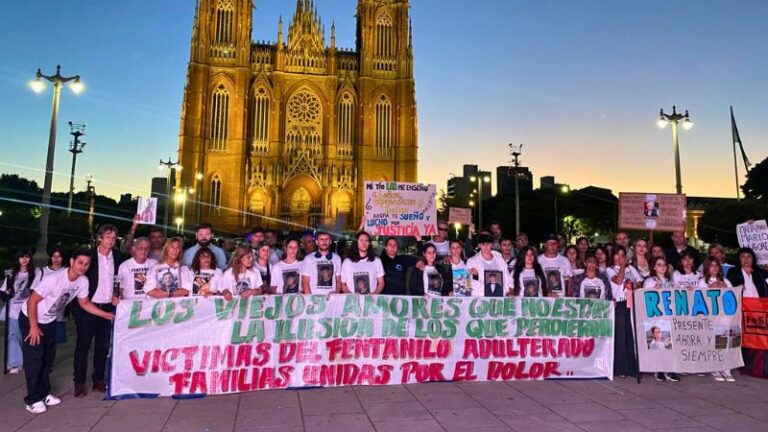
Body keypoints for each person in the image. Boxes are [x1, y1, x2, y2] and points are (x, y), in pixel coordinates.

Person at [19, 249, 115, 414]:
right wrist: (33, 326)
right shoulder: (54, 279)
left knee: (47, 359)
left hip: (49, 321)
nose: (83, 267)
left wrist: (105, 314)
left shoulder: (82, 281)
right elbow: (32, 301)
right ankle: (32, 400)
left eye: (86, 264)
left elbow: (84, 303)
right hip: (31, 318)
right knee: (34, 359)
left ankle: (44, 393)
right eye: (80, 262)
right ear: (71, 262)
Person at [72, 224, 125, 397]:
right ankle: (79, 382)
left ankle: (98, 379)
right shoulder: (90, 256)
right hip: (88, 306)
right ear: (100, 238)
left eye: (113, 237)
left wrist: (118, 295)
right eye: (108, 237)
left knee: (102, 346)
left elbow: (121, 280)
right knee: (83, 345)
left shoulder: (118, 256)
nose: (111, 240)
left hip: (107, 306)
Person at [726, 247, 768, 379]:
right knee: (744, 339)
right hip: (742, 311)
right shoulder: (734, 272)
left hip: (759, 311)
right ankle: (744, 365)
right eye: (742, 256)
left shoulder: (760, 273)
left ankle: (757, 367)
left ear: (753, 258)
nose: (745, 259)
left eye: (748, 256)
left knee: (758, 338)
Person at [0, 249, 42, 374]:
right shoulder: (11, 274)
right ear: (17, 259)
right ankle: (15, 363)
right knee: (13, 336)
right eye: (21, 257)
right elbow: (2, 293)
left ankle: (29, 361)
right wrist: (7, 293)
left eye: (27, 257)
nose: (24, 260)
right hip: (13, 311)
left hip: (29, 311)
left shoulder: (36, 273)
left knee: (28, 337)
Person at [642, 256, 679, 382]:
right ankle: (658, 369)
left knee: (668, 344)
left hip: (668, 318)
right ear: (654, 267)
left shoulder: (670, 282)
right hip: (656, 318)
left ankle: (669, 369)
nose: (662, 267)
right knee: (657, 345)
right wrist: (653, 290)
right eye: (659, 264)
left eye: (664, 264)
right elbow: (644, 297)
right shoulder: (650, 281)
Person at [698, 256, 735, 382]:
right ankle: (715, 367)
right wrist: (711, 288)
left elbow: (733, 295)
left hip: (726, 315)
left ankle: (726, 368)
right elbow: (700, 299)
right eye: (711, 265)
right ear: (707, 267)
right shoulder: (702, 281)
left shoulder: (726, 280)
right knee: (716, 341)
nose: (714, 268)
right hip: (712, 316)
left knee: (727, 340)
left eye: (716, 265)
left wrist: (725, 287)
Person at [606, 245, 641, 379]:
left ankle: (632, 366)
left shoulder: (631, 269)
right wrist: (622, 267)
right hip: (619, 303)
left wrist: (634, 286)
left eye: (622, 255)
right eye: (617, 255)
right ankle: (620, 367)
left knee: (630, 335)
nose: (620, 258)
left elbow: (639, 282)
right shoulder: (610, 270)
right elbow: (618, 280)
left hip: (631, 302)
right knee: (620, 336)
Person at [44, 246, 68, 344]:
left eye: (59, 256)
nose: (56, 259)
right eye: (54, 256)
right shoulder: (43, 272)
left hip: (60, 314)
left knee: (56, 344)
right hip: (44, 314)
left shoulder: (67, 272)